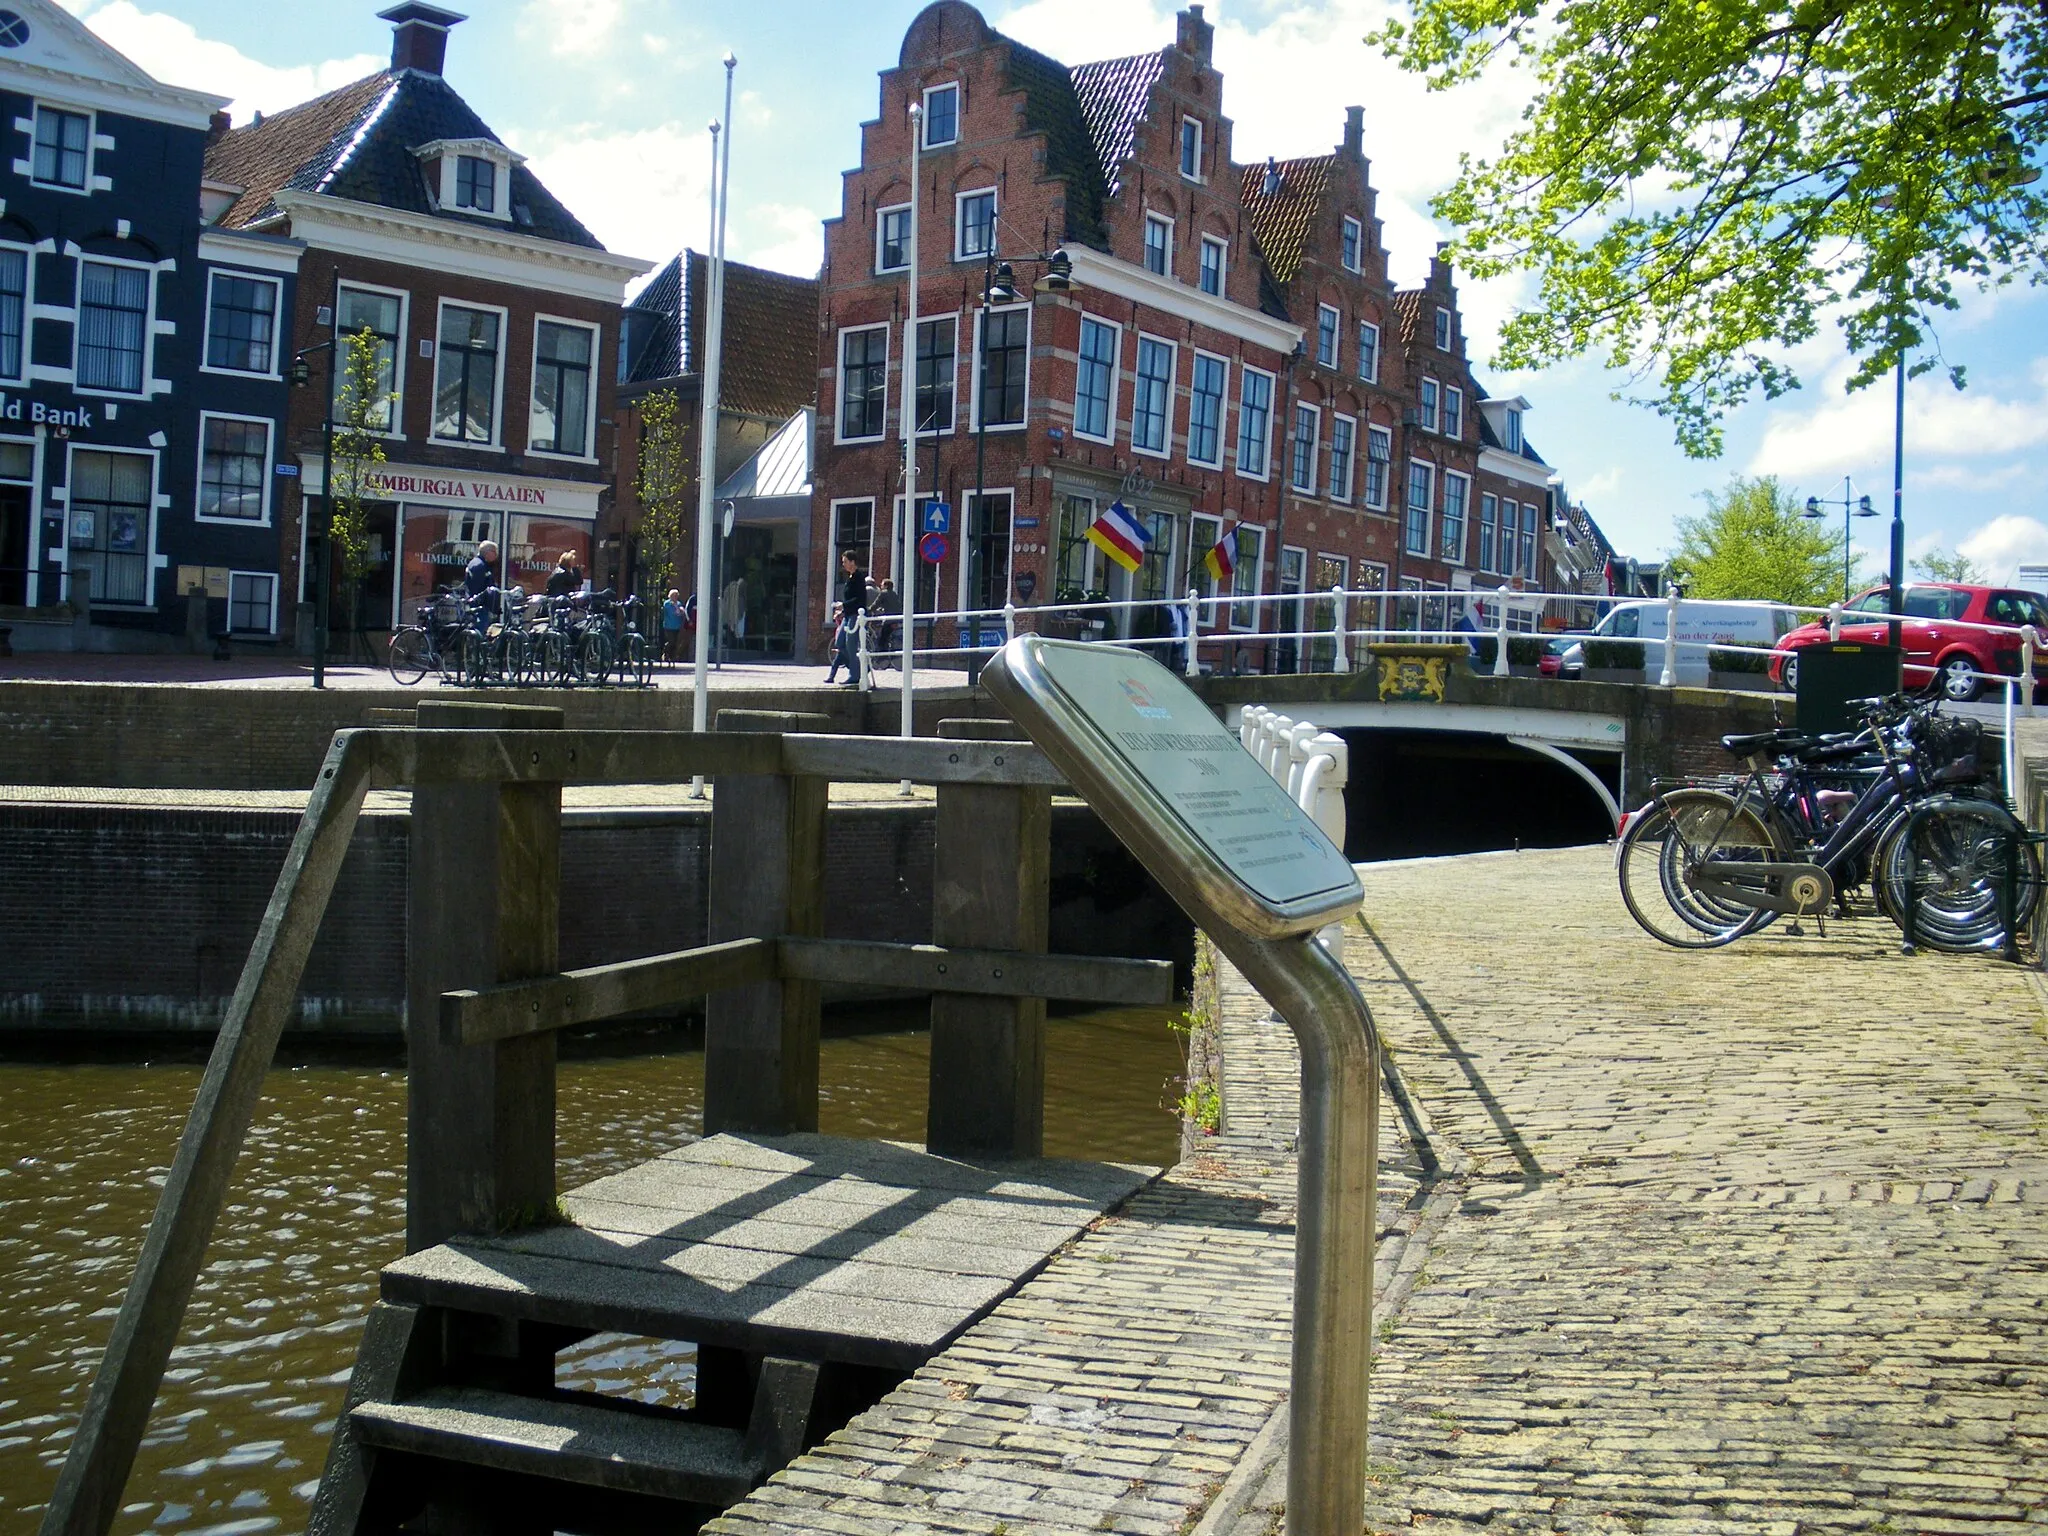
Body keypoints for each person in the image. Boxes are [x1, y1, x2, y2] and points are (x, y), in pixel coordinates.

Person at [829, 549, 867, 687]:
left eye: (845, 562)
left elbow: (859, 599)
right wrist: (842, 610)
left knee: (850, 645)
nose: (843, 564)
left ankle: (854, 675)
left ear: (852, 562)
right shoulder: (850, 577)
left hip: (856, 616)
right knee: (840, 643)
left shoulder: (858, 577)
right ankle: (860, 669)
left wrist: (843, 604)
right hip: (848, 615)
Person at [463, 539, 499, 620]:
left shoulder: (480, 564)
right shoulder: (479, 566)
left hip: (480, 606)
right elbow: (478, 589)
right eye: (494, 552)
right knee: (481, 630)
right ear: (488, 552)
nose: (496, 554)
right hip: (479, 608)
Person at [661, 588, 685, 663]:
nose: (675, 597)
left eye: (676, 595)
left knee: (675, 642)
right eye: (673, 595)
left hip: (676, 626)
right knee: (671, 641)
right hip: (668, 626)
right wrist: (677, 609)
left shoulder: (678, 603)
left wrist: (677, 606)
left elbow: (680, 613)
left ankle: (671, 657)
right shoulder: (667, 603)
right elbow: (674, 613)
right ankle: (665, 652)